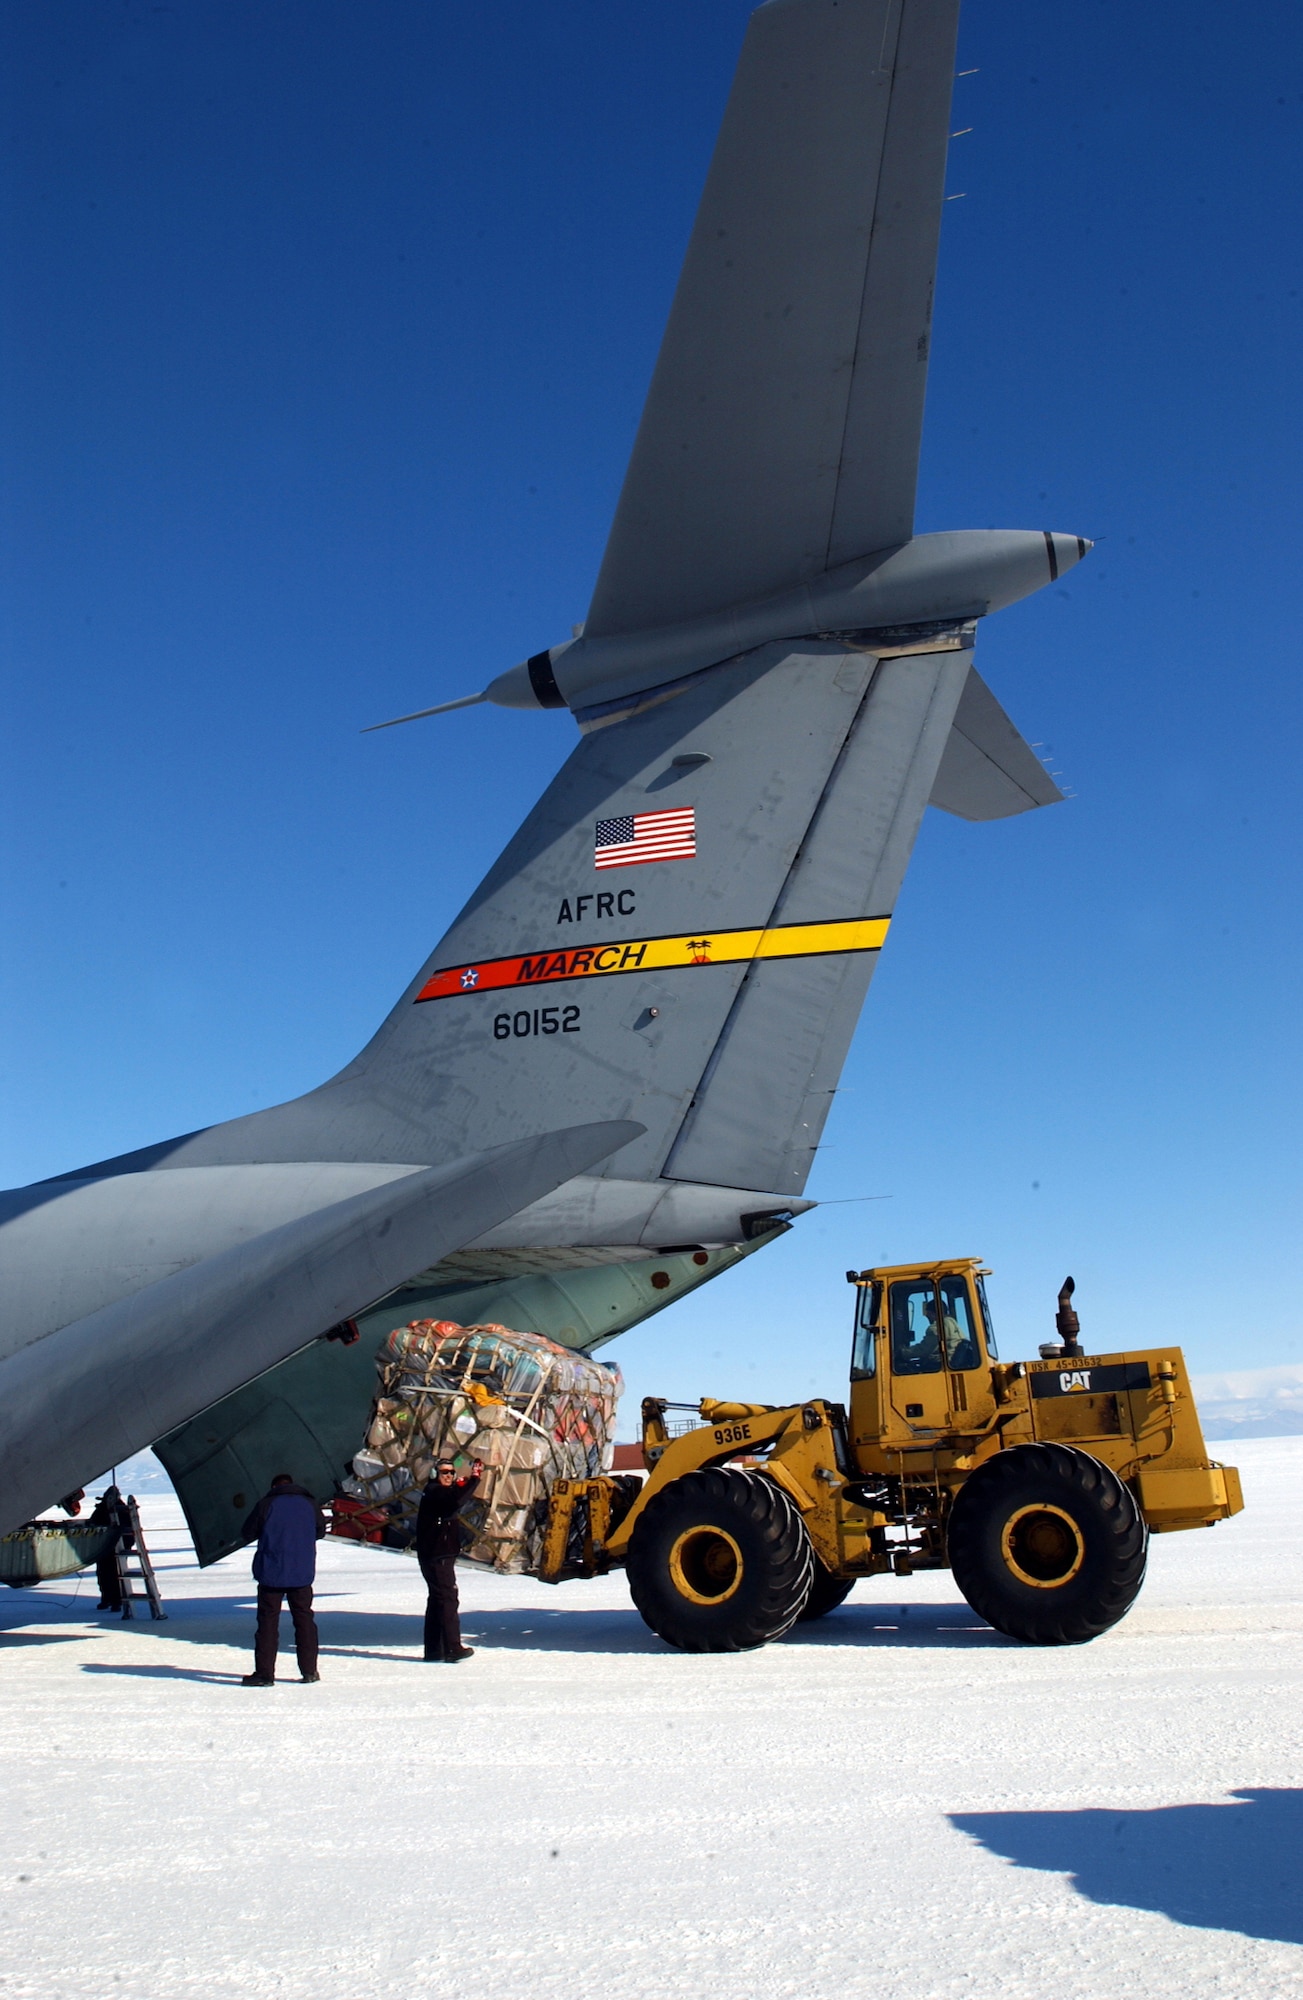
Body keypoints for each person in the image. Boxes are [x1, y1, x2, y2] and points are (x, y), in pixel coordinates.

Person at [239, 1474, 326, 1686]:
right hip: (301, 1573)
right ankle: (309, 1670)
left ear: (274, 1487)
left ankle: (265, 1674)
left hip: (271, 1572)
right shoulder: (310, 1504)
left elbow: (247, 1532)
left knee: (268, 1624)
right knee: (304, 1620)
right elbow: (321, 1531)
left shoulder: (266, 1504)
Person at [415, 1458, 482, 1663]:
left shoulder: (439, 1492)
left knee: (437, 1599)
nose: (448, 1476)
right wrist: (474, 1480)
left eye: (451, 1473)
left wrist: (467, 1481)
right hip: (437, 1555)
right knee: (448, 1598)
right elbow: (454, 1501)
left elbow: (454, 1498)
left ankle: (435, 1650)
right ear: (435, 1474)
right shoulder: (435, 1491)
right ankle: (453, 1647)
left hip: (438, 1554)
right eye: (444, 1472)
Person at [87, 1484, 133, 1612]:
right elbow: (93, 1523)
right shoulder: (101, 1510)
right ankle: (106, 1598)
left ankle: (117, 1601)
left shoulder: (122, 1510)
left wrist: (125, 1545)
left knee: (116, 1574)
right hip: (103, 1548)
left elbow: (129, 1530)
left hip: (117, 1547)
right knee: (103, 1574)